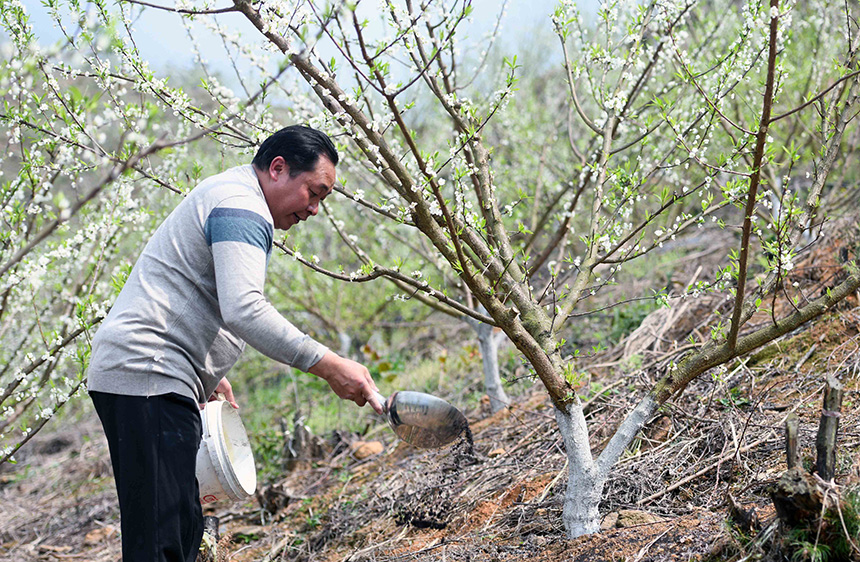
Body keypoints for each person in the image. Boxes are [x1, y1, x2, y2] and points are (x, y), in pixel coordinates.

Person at [87, 125, 382, 562]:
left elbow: (199, 290)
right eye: (314, 192)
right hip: (149, 374)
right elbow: (243, 308)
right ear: (278, 169)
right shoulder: (242, 205)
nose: (316, 209)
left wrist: (207, 370)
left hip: (156, 374)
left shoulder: (231, 194)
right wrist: (330, 365)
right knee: (161, 544)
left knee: (181, 532)